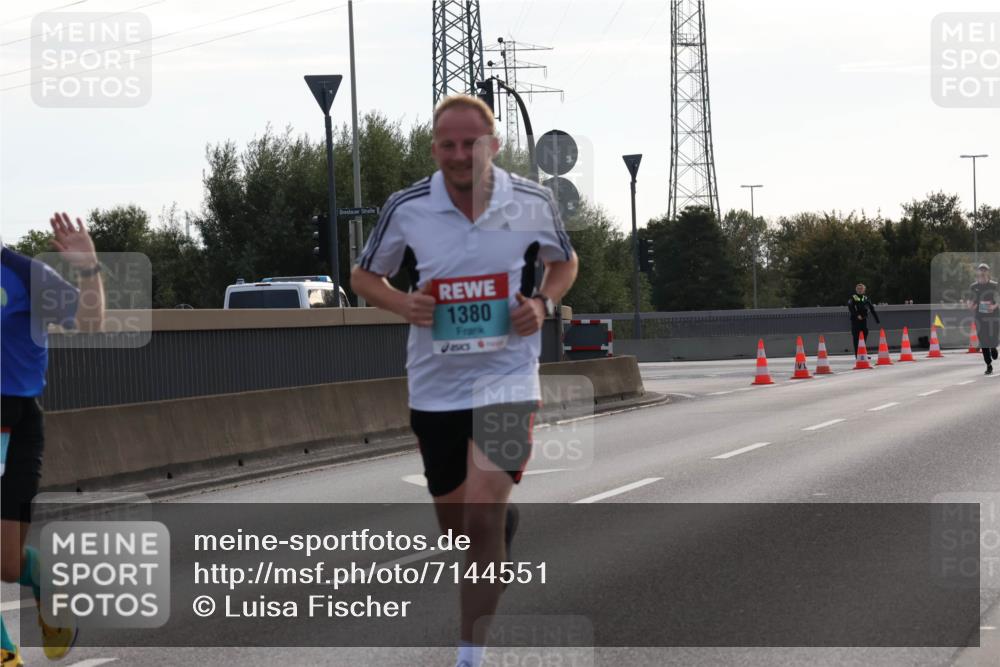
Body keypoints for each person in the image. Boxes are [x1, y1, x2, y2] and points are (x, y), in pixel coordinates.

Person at [351, 95, 578, 667]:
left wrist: (545, 304)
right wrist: (405, 304)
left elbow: (564, 262)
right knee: (460, 531)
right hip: (435, 387)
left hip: (509, 378)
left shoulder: (531, 201)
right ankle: (500, 526)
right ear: (435, 149)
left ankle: (469, 656)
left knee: (479, 516)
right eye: (448, 144)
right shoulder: (408, 208)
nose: (459, 154)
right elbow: (362, 276)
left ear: (494, 146)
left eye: (471, 143)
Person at [1, 213, 105, 666]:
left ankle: (46, 582)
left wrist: (87, 267)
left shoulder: (24, 273)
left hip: (12, 424)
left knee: (6, 564)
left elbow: (90, 321)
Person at [968, 263, 999, 375]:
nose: (982, 272)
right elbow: (970, 301)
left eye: (985, 270)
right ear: (978, 272)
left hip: (994, 317)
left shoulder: (994, 285)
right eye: (981, 270)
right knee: (983, 341)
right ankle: (988, 365)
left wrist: (994, 306)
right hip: (980, 318)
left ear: (988, 272)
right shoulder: (973, 287)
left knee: (993, 336)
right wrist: (970, 305)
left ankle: (994, 347)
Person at [848, 282, 880, 357]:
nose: (860, 290)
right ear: (856, 290)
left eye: (861, 289)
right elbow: (850, 308)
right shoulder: (853, 298)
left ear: (864, 290)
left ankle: (863, 353)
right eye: (858, 289)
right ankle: (857, 355)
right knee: (856, 337)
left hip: (863, 320)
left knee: (865, 334)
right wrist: (857, 315)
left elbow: (872, 309)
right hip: (855, 320)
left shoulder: (866, 298)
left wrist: (877, 320)